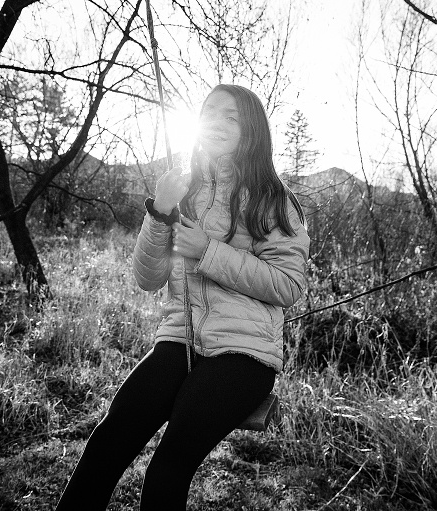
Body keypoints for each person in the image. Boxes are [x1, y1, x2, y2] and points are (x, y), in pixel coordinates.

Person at [55, 84, 310, 511]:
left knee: (166, 470)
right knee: (106, 445)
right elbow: (148, 278)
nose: (217, 122)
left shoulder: (272, 200)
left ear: (252, 130)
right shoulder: (184, 191)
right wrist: (159, 212)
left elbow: (288, 285)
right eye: (209, 112)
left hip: (243, 354)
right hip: (180, 339)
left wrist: (208, 251)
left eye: (232, 116)